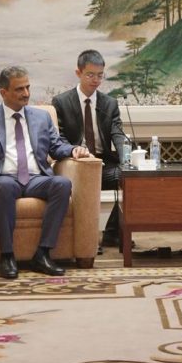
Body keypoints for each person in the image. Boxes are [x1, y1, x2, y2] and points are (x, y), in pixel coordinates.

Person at [0, 66, 91, 278]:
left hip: (35, 178)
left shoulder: (42, 117)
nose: (26, 93)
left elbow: (56, 146)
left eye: (27, 87)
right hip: (2, 178)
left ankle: (42, 254)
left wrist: (73, 150)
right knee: (5, 186)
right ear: (3, 92)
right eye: (19, 89)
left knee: (62, 184)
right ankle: (7, 255)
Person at [52, 50, 127, 252]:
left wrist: (126, 159)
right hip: (76, 162)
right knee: (85, 176)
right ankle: (88, 238)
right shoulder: (61, 102)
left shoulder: (109, 103)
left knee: (130, 177)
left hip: (103, 162)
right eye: (90, 75)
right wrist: (74, 150)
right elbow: (58, 138)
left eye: (100, 75)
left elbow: (118, 134)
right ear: (78, 73)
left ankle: (112, 233)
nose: (96, 80)